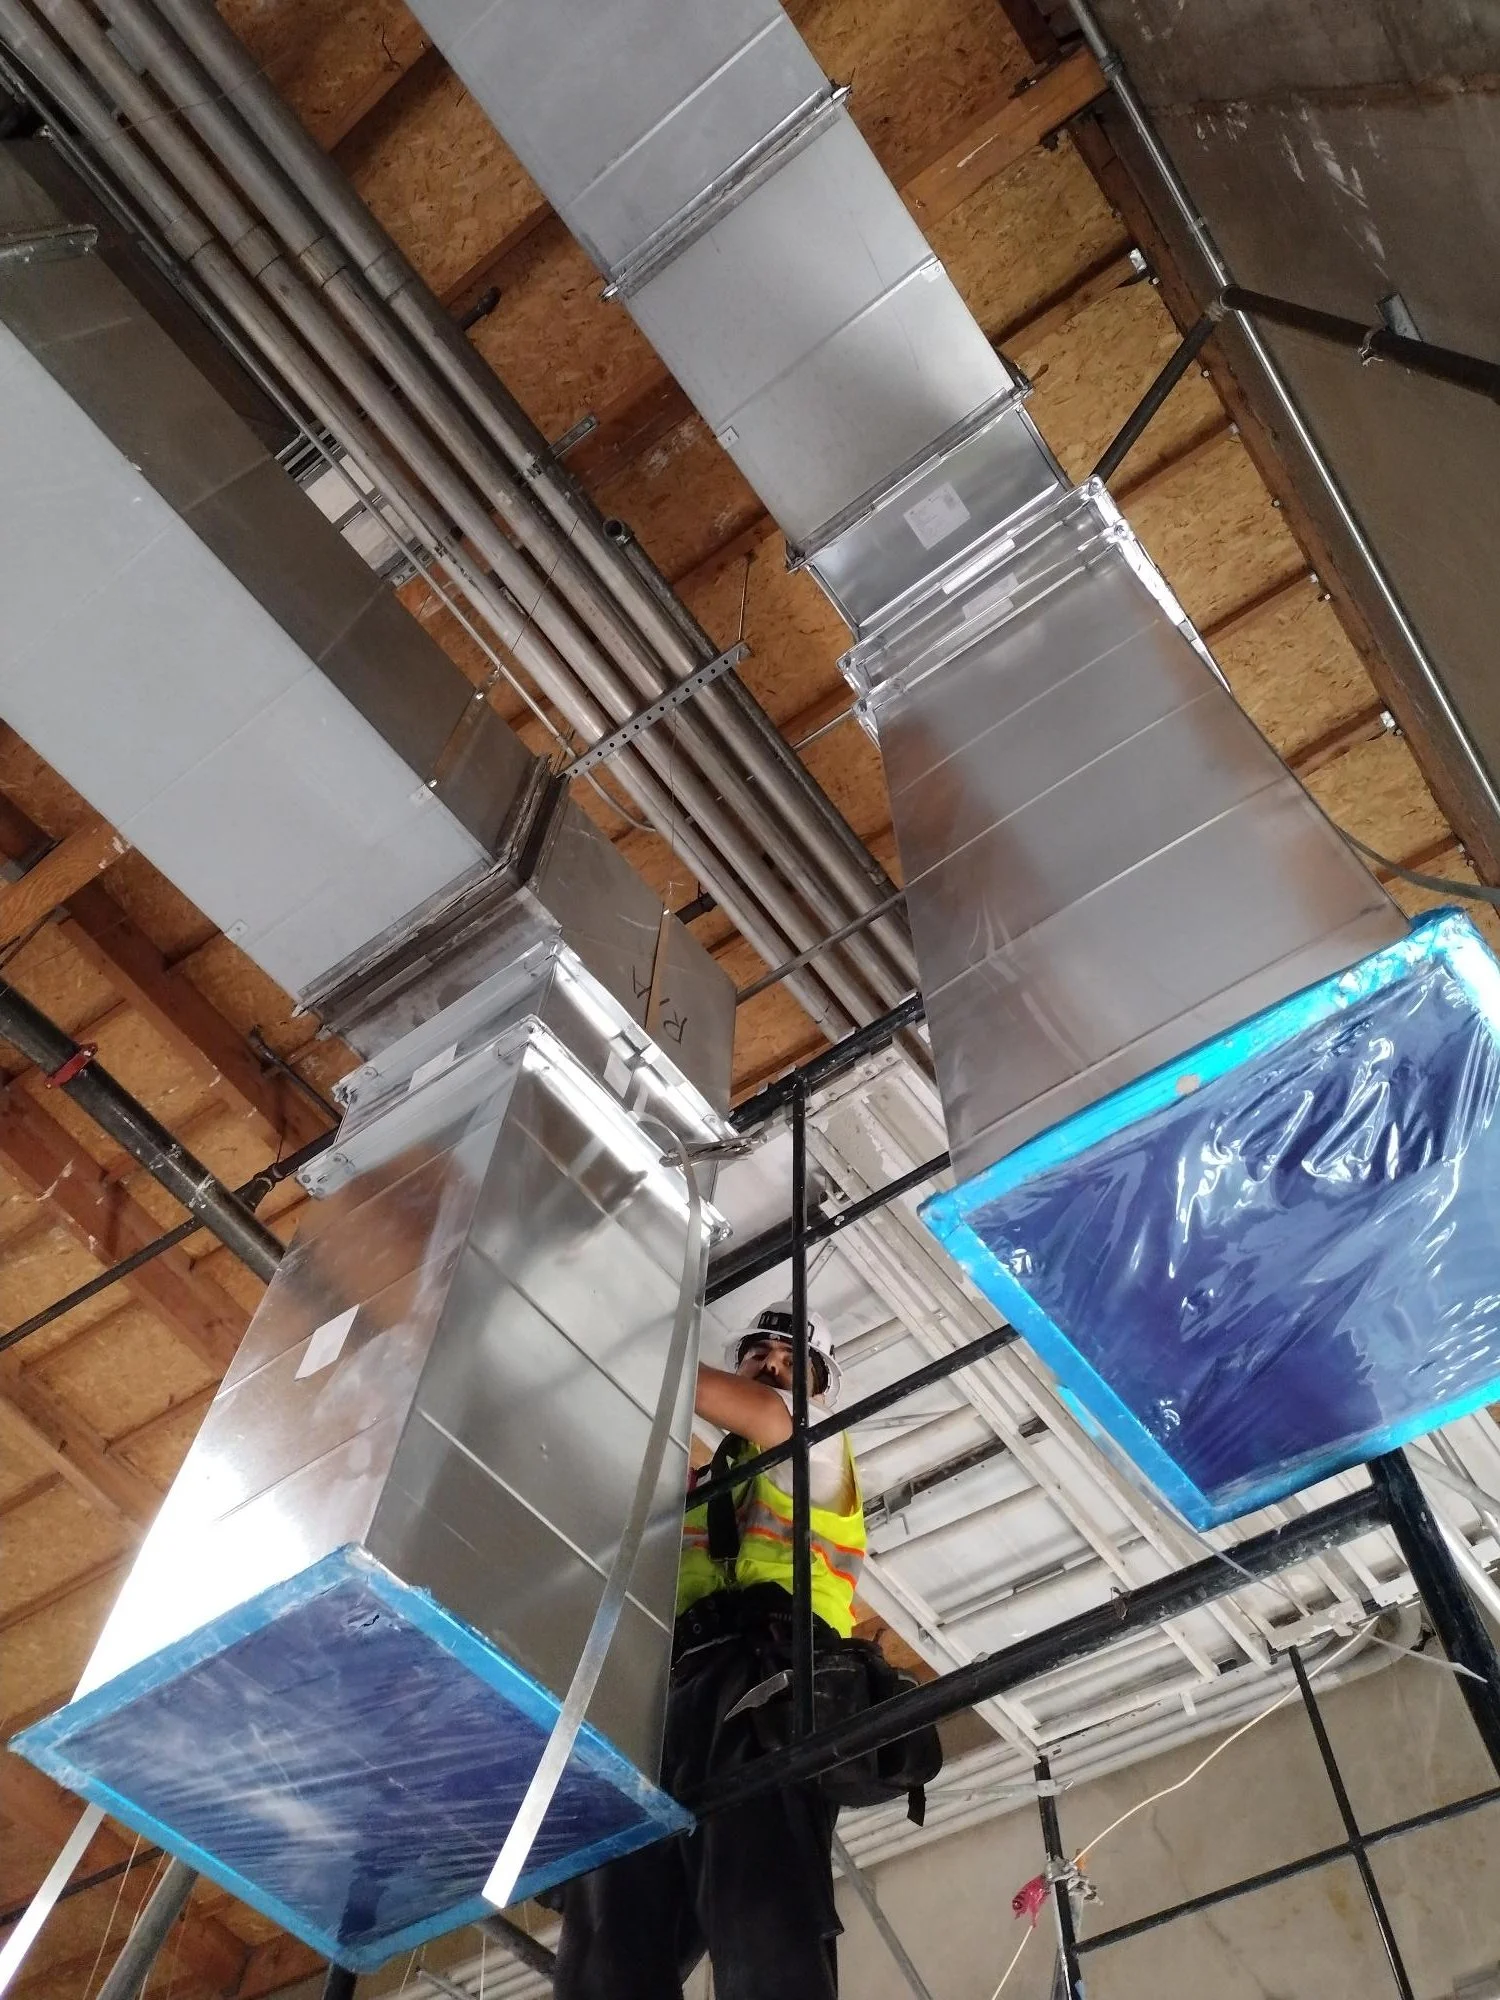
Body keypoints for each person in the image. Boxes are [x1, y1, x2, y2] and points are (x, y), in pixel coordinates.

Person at [554, 1301, 865, 2000]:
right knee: (610, 1919)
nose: (774, 1368)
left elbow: (755, 1412)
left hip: (771, 1676)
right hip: (674, 1687)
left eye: (794, 1364)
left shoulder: (812, 1447)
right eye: (760, 1356)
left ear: (818, 1390)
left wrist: (612, 1341)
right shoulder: (695, 1488)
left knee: (757, 1905)